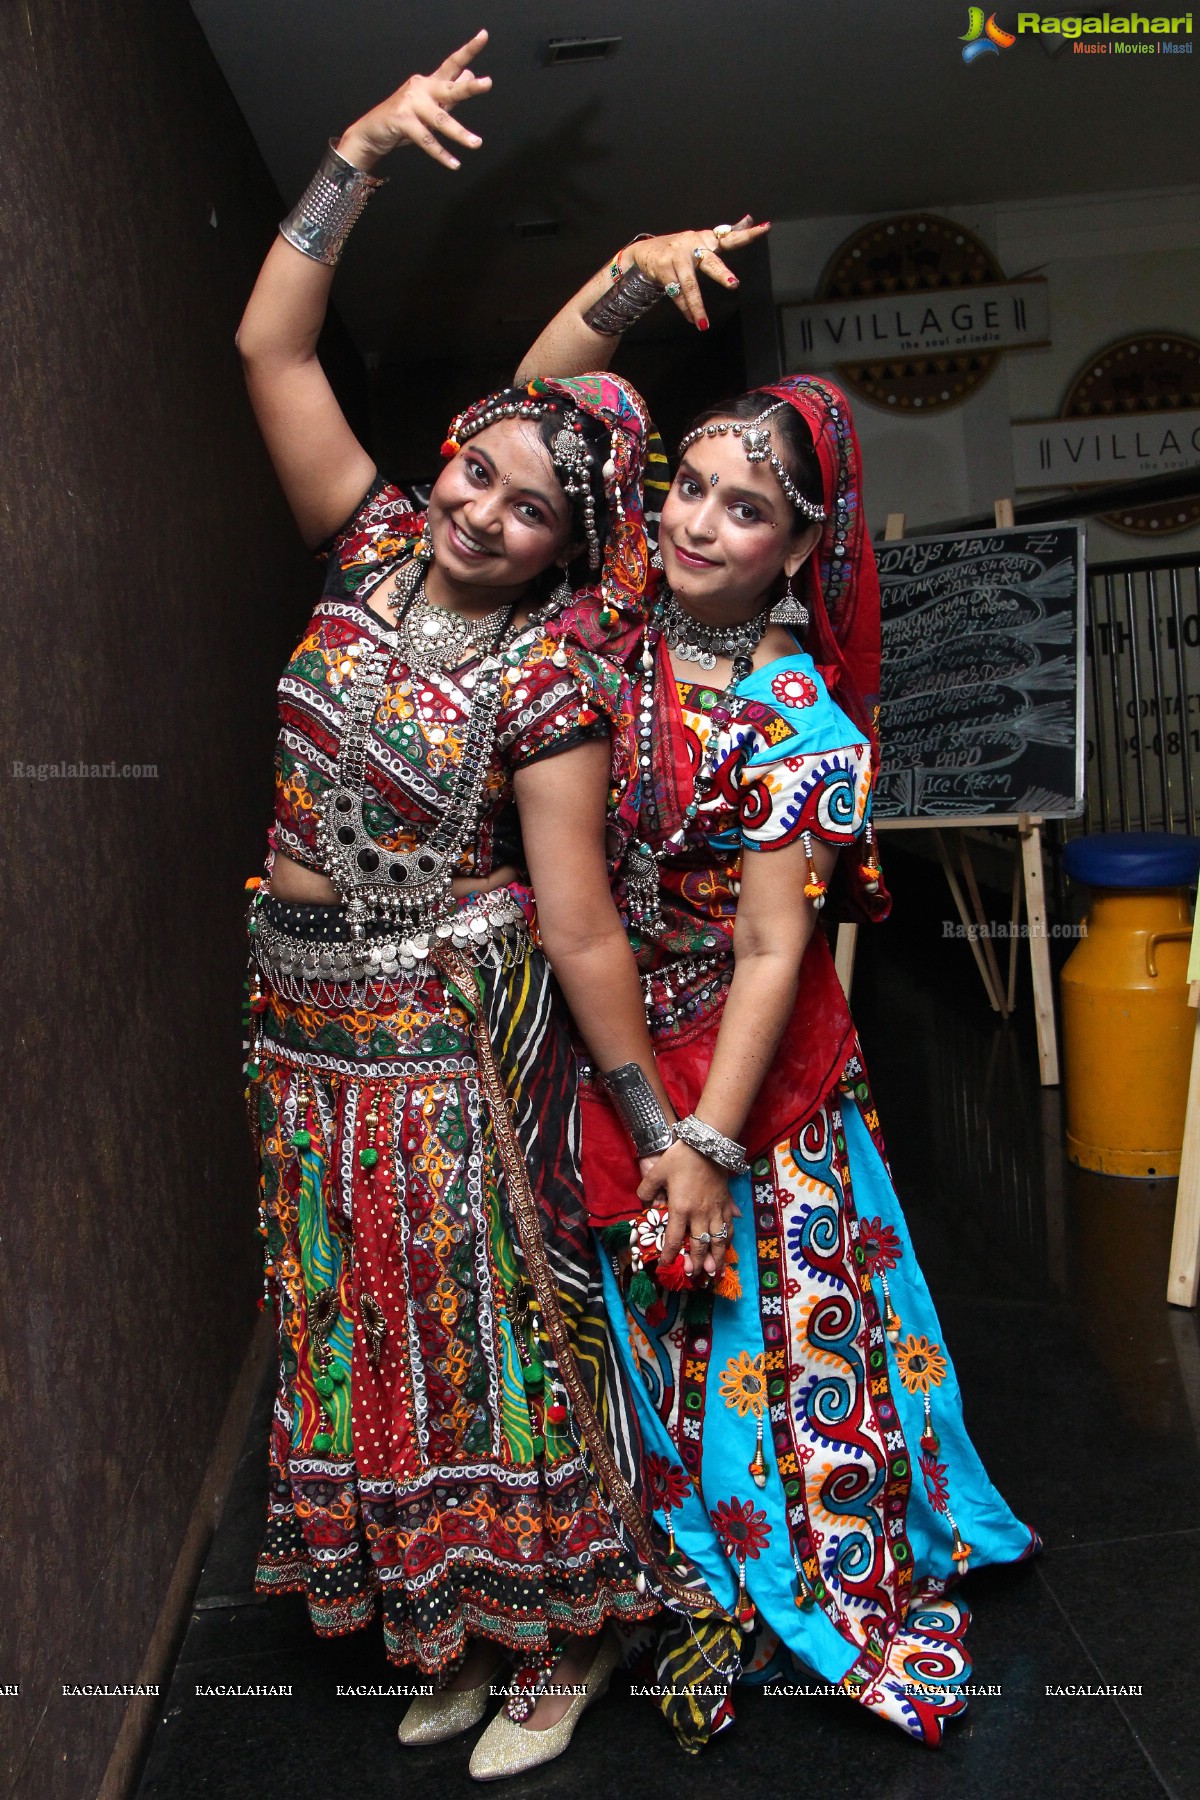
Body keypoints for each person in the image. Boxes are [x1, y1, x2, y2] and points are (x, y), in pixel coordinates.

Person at [235, 45, 763, 1779]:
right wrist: (358, 154)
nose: (482, 511)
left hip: (448, 1044)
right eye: (475, 478)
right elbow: (273, 346)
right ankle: (452, 1620)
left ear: (566, 549)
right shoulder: (366, 536)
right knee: (353, 1321)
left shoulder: (552, 684)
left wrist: (651, 1120)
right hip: (298, 1030)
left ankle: (568, 1643)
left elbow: (583, 922)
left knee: (484, 1337)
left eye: (531, 510)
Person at [515, 234, 1040, 1746]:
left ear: (803, 550)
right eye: (689, 484)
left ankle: (764, 1583)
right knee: (630, 1339)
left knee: (759, 1331)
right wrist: (625, 282)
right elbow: (526, 414)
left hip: (749, 1071)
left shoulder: (791, 717)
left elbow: (770, 949)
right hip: (601, 1037)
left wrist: (713, 1145)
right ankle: (666, 1571)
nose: (697, 522)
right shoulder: (615, 606)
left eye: (747, 509)